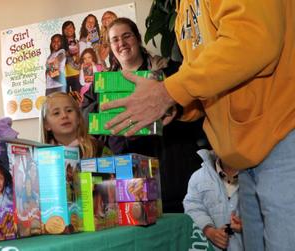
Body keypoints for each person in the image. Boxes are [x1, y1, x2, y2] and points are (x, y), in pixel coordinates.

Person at [102, 2, 295, 250]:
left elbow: (254, 38)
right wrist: (179, 107)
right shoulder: (183, 10)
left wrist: (169, 92)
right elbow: (212, 75)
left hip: (282, 137)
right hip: (247, 158)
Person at [84, 17, 205, 213]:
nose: (121, 43)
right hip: (130, 184)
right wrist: (111, 121)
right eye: (115, 39)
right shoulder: (100, 86)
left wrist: (171, 110)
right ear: (110, 46)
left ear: (138, 39)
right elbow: (86, 120)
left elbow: (198, 106)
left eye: (127, 36)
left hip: (175, 174)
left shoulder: (170, 70)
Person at [184, 149, 243, 251]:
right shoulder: (198, 177)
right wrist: (209, 231)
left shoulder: (259, 176)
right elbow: (193, 207)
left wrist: (248, 226)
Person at [41, 91, 111, 158]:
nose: (64, 115)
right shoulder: (42, 155)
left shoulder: (98, 148)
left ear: (78, 117)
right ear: (46, 124)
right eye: (56, 113)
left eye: (69, 110)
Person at [61, 21, 82, 101]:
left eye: (70, 27)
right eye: (66, 28)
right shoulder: (60, 43)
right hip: (63, 76)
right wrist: (67, 53)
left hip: (76, 74)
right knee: (64, 101)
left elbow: (78, 61)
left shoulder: (77, 42)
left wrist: (77, 55)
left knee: (77, 100)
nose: (68, 29)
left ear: (74, 29)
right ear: (63, 31)